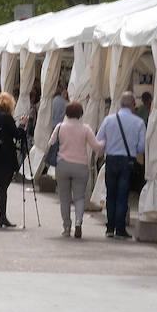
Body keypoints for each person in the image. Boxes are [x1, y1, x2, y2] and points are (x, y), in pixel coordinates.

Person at [48, 101, 105, 239]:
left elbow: (50, 143)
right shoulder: (85, 129)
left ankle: (67, 227)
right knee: (79, 197)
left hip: (63, 165)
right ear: (81, 114)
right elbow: (97, 146)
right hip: (80, 166)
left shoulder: (60, 127)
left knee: (64, 198)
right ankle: (79, 222)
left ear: (66, 113)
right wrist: (105, 140)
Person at [95, 91, 146, 239]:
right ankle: (120, 229)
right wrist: (132, 149)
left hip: (110, 159)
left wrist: (109, 147)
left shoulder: (109, 120)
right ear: (132, 105)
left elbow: (99, 140)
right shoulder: (139, 122)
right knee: (122, 195)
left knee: (111, 194)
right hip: (127, 161)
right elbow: (142, 147)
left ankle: (110, 227)